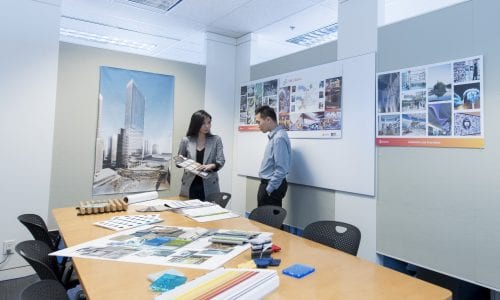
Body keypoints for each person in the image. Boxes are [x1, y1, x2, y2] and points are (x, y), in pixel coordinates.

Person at [178, 110, 225, 200]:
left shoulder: (216, 140)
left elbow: (221, 160)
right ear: (196, 124)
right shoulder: (186, 140)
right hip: (190, 184)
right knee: (188, 211)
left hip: (210, 184)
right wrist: (180, 161)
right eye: (203, 123)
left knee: (209, 211)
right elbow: (179, 162)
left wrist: (212, 165)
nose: (207, 126)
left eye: (209, 122)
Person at [255, 105, 291, 207]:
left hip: (271, 186)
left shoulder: (278, 138)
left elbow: (281, 169)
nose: (258, 125)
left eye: (259, 122)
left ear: (268, 120)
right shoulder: (276, 136)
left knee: (269, 222)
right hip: (270, 185)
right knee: (266, 221)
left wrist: (269, 189)